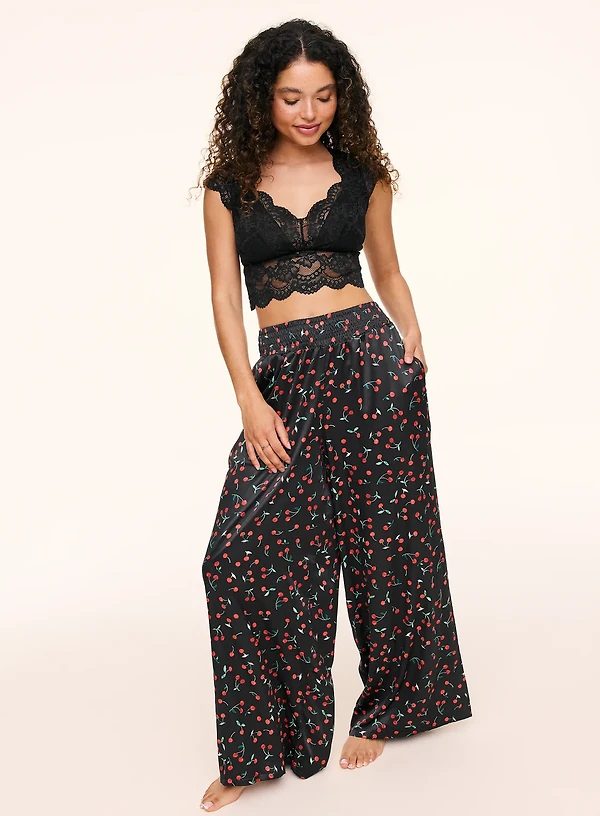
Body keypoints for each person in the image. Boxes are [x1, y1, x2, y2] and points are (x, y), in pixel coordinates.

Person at [196, 18, 472, 812]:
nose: (309, 111)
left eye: (323, 95)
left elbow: (388, 270)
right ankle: (261, 746)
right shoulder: (227, 188)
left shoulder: (363, 175)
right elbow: (224, 299)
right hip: (283, 377)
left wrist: (412, 334)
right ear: (262, 98)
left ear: (340, 96)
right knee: (238, 554)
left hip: (372, 366)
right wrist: (249, 398)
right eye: (291, 97)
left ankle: (394, 705)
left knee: (391, 541)